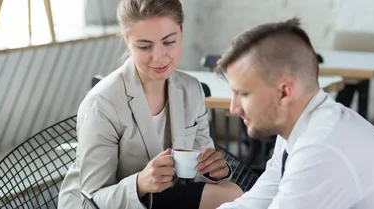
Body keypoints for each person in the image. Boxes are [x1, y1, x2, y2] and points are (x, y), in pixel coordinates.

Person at [215, 18, 374, 209]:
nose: (234, 108)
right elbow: (258, 200)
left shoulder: (321, 147)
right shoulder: (300, 127)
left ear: (284, 92)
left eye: (243, 94)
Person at [58, 0, 243, 208]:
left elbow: (200, 169)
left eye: (169, 42)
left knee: (232, 193)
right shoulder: (102, 104)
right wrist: (139, 184)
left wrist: (214, 170)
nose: (159, 57)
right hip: (112, 204)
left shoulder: (191, 90)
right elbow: (91, 200)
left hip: (163, 197)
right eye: (144, 46)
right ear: (127, 40)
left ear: (181, 31)